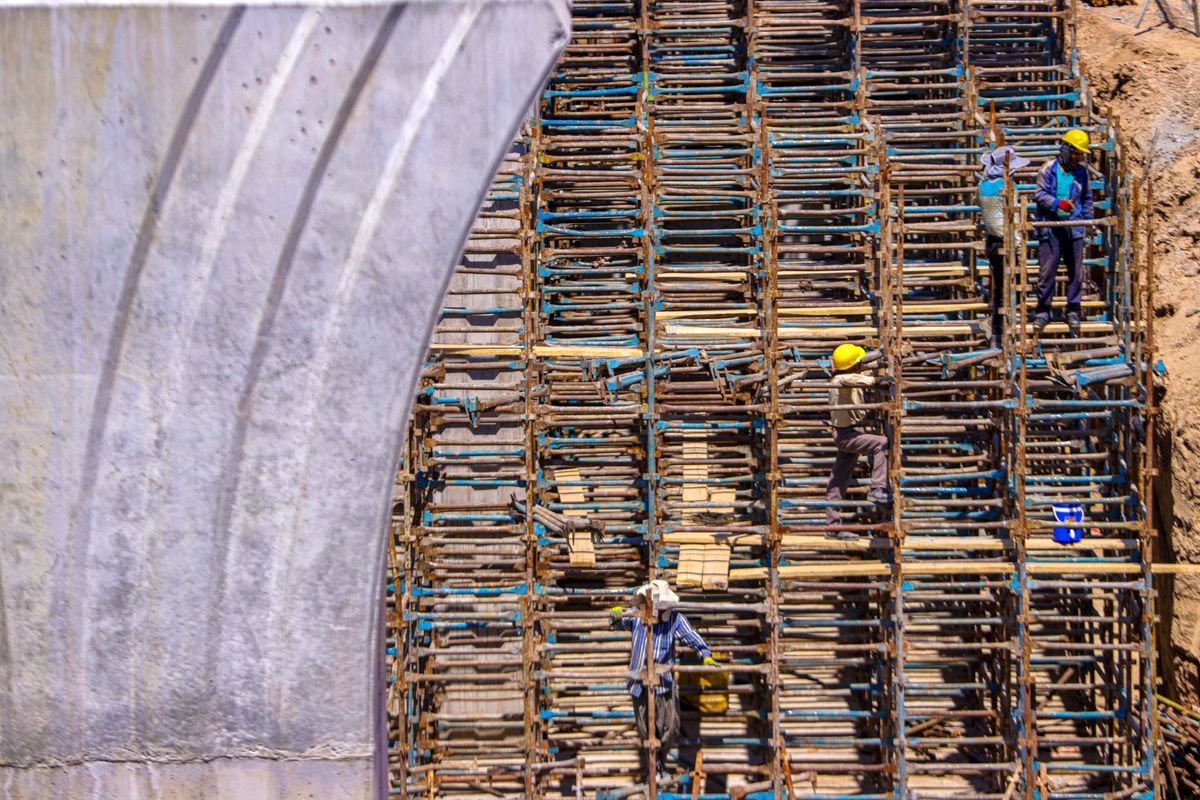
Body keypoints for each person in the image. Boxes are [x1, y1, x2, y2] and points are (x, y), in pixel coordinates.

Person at [609, 580, 717, 775]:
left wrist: (705, 654)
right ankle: (655, 765)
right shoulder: (637, 615)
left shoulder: (675, 619)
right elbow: (618, 623)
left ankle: (661, 757)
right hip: (639, 682)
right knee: (645, 729)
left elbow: (691, 636)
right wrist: (615, 615)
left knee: (670, 726)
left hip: (664, 682)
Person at [1032, 129, 1094, 337]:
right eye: (1076, 153)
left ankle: (1073, 310)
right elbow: (1039, 195)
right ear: (1066, 149)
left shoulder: (1082, 172)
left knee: (1076, 273)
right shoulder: (1048, 170)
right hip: (1050, 228)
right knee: (1046, 272)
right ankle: (1042, 312)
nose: (1079, 157)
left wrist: (1088, 222)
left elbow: (1087, 199)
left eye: (1081, 154)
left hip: (1074, 228)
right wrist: (1058, 204)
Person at [825, 343, 891, 532]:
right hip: (847, 434)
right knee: (882, 444)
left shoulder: (849, 374)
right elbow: (854, 378)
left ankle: (832, 526)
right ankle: (878, 489)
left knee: (838, 480)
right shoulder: (841, 379)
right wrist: (878, 381)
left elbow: (864, 374)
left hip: (852, 433)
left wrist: (880, 358)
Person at [978, 144, 1030, 344]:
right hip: (1006, 242)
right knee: (1006, 285)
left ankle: (998, 323)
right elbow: (1013, 219)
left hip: (991, 240)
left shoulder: (982, 185)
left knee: (999, 284)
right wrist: (1018, 247)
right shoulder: (1008, 187)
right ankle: (1000, 327)